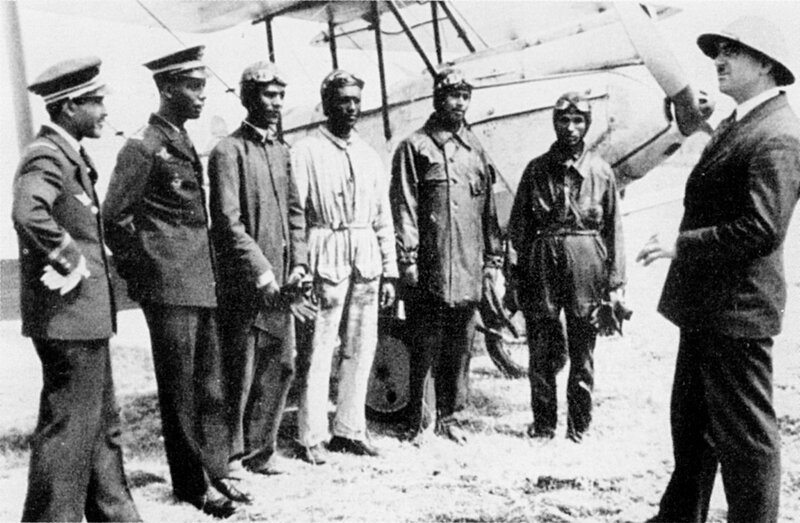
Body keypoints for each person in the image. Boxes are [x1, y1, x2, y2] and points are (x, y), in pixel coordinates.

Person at [636, 16, 800, 523]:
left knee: (746, 440)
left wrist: (680, 245)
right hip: (708, 310)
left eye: (732, 51)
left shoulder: (778, 134)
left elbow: (762, 228)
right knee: (692, 426)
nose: (719, 61)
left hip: (736, 314)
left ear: (767, 65)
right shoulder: (741, 122)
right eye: (717, 51)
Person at [102, 46, 248, 518]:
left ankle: (216, 473)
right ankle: (192, 485)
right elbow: (114, 218)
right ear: (167, 89)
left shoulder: (179, 139)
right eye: (193, 86)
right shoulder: (143, 146)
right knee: (181, 391)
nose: (202, 95)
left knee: (210, 388)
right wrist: (148, 274)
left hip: (199, 282)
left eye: (203, 85)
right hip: (169, 287)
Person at [12, 57, 141, 522]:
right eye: (96, 101)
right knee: (68, 434)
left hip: (83, 319)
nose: (105, 110)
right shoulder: (46, 155)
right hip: (68, 321)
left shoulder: (69, 154)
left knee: (101, 429)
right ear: (69, 106)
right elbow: (28, 211)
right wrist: (69, 257)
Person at [390, 68, 504, 443]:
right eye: (453, 95)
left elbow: (488, 211)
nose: (459, 103)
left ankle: (451, 417)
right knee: (424, 342)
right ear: (438, 98)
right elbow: (404, 207)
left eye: (465, 96)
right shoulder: (414, 147)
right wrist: (407, 259)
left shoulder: (475, 150)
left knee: (460, 345)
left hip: (468, 266)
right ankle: (420, 420)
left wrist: (493, 260)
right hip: (431, 266)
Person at [208, 61, 310, 476]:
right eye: (269, 95)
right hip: (246, 285)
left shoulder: (281, 151)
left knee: (280, 365)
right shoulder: (228, 152)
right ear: (248, 97)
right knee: (240, 371)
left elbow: (296, 213)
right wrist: (263, 273)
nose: (277, 103)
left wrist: (299, 263)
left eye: (281, 95)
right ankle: (230, 458)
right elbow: (228, 223)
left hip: (282, 282)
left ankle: (260, 452)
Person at [506, 91, 626, 443]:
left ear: (587, 125)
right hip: (543, 260)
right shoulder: (535, 170)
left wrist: (616, 283)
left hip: (586, 261)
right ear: (554, 123)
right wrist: (514, 277)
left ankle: (579, 425)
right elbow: (519, 228)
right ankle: (544, 424)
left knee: (583, 344)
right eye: (564, 120)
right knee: (542, 343)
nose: (570, 128)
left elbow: (614, 229)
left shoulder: (601, 171)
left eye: (578, 121)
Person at [292, 70, 397, 463]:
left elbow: (382, 217)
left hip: (366, 258)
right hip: (325, 253)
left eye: (356, 101)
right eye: (342, 101)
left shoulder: (369, 155)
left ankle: (350, 429)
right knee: (318, 349)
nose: (351, 108)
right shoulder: (306, 151)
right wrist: (301, 268)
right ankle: (311, 435)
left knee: (362, 347)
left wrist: (389, 270)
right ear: (326, 105)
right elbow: (296, 215)